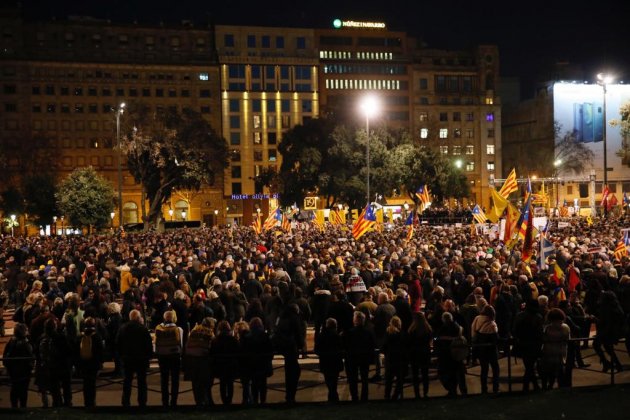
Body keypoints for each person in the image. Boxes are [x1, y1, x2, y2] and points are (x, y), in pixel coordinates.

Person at [117, 309, 153, 407]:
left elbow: (118, 343)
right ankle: (142, 402)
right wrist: (148, 356)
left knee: (127, 381)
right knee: (142, 382)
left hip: (127, 358)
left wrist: (121, 355)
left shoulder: (123, 328)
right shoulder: (143, 328)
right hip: (141, 358)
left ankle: (126, 401)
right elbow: (148, 344)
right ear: (138, 317)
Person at [273, 303, 303, 404]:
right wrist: (301, 345)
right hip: (291, 346)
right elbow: (298, 333)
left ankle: (289, 395)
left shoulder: (281, 318)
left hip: (283, 346)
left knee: (289, 371)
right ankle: (291, 396)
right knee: (294, 371)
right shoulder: (294, 318)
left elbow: (276, 330)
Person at [343, 311, 376, 402]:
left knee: (353, 379)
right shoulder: (368, 332)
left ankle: (354, 397)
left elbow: (345, 345)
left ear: (355, 320)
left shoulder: (349, 333)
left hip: (352, 358)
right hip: (364, 358)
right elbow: (373, 345)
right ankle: (364, 397)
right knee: (364, 379)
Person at [512, 299, 544, 392]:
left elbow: (514, 330)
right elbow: (540, 332)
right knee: (530, 366)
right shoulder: (538, 317)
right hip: (534, 344)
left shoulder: (519, 316)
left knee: (528, 365)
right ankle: (531, 386)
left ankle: (529, 386)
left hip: (522, 343)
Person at [155, 310, 184, 407]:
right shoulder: (178, 329)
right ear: (173, 318)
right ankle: (174, 401)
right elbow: (181, 344)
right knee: (175, 379)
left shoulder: (158, 328)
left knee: (164, 379)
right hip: (174, 355)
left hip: (162, 355)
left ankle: (165, 401)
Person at [242, 317, 274, 404]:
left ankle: (255, 400)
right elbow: (270, 350)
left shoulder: (247, 337)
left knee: (254, 383)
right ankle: (263, 401)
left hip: (252, 364)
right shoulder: (265, 336)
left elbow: (244, 351)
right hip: (263, 363)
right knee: (263, 383)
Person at [184, 317, 214, 407]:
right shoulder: (209, 332)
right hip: (203, 359)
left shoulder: (194, 331)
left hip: (192, 358)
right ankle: (207, 400)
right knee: (205, 382)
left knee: (195, 382)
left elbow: (187, 344)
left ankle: (198, 401)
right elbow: (212, 345)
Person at [436, 311, 468, 397]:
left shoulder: (443, 328)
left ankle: (452, 390)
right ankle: (463, 391)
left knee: (448, 373)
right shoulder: (458, 327)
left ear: (443, 319)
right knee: (459, 373)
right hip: (458, 353)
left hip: (447, 354)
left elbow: (439, 340)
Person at [592, 290, 625, 373]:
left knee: (596, 345)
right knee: (608, 348)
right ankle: (617, 365)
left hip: (607, 332)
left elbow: (604, 321)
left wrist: (595, 319)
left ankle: (605, 362)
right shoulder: (616, 306)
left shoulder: (605, 308)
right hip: (614, 332)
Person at [3, 323, 34, 408]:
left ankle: (14, 406)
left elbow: (6, 355)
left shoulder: (11, 341)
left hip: (13, 370)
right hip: (23, 371)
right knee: (23, 390)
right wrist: (30, 367)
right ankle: (22, 407)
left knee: (14, 389)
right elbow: (30, 356)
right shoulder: (25, 343)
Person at [471, 305, 500, 394]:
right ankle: (495, 388)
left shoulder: (477, 318)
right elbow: (496, 339)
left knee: (484, 369)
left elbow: (473, 332)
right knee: (495, 369)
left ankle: (484, 389)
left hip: (481, 348)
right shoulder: (492, 324)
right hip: (491, 349)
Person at [540, 308, 571, 390]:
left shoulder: (548, 328)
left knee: (547, 370)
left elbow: (544, 339)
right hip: (560, 351)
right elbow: (568, 339)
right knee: (558, 371)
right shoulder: (565, 327)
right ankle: (556, 386)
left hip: (548, 351)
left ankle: (546, 386)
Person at [315, 317, 344, 402]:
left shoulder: (321, 336)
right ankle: (333, 395)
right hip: (335, 360)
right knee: (334, 380)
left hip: (325, 360)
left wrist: (322, 354)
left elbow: (316, 349)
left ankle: (332, 395)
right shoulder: (337, 336)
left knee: (328, 379)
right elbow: (342, 348)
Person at [77, 317, 104, 407]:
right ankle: (92, 401)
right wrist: (100, 363)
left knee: (85, 383)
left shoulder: (81, 336)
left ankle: (86, 401)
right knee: (92, 383)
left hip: (84, 362)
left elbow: (77, 350)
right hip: (93, 363)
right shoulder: (96, 336)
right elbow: (100, 351)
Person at [211, 320, 239, 405]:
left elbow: (213, 352)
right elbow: (237, 351)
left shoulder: (216, 340)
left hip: (220, 364)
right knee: (230, 383)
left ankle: (224, 401)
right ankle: (229, 400)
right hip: (231, 363)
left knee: (222, 383)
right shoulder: (233, 339)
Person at [405, 312, 432, 399]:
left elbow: (408, 342)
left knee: (415, 375)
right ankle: (425, 392)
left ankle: (417, 393)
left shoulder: (412, 330)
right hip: (424, 353)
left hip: (415, 353)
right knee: (425, 374)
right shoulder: (427, 329)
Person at [382, 316, 406, 400]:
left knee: (389, 379)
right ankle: (396, 395)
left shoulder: (388, 333)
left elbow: (384, 346)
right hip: (399, 358)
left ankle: (387, 395)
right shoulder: (401, 333)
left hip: (390, 358)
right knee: (399, 379)